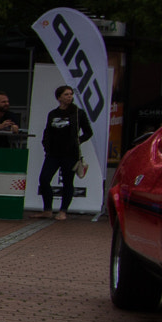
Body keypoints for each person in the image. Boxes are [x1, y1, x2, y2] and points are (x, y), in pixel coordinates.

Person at [38, 84, 93, 220]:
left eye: (71, 94)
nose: (70, 97)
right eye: (66, 95)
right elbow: (48, 132)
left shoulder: (78, 113)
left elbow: (88, 132)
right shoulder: (53, 113)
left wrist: (77, 141)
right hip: (53, 153)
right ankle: (47, 210)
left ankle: (63, 211)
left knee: (68, 182)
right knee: (44, 179)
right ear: (59, 97)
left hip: (70, 154)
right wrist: (46, 145)